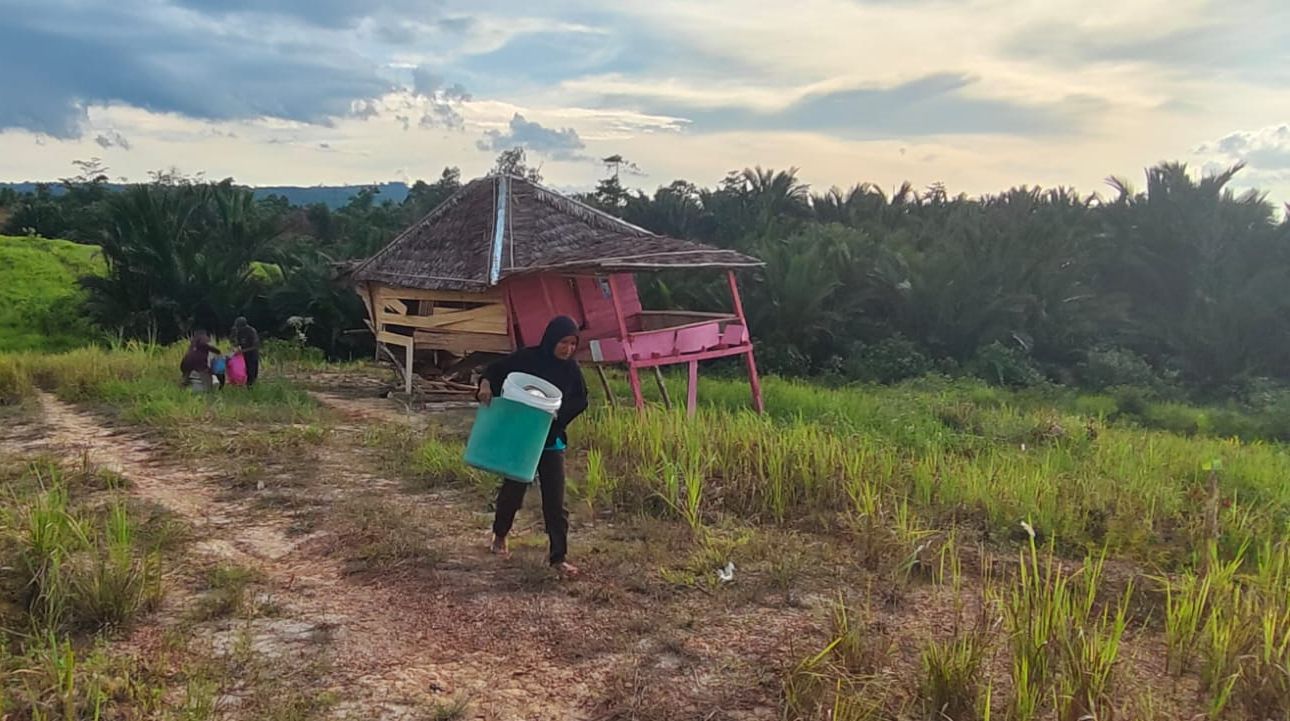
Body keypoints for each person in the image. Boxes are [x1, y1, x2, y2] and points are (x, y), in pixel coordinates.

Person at [478, 316, 588, 576]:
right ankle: (500, 536)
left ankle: (558, 558)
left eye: (573, 344)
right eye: (563, 342)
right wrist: (485, 386)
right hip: (522, 439)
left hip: (550, 441)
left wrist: (558, 417)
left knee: (555, 501)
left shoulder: (571, 370)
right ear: (551, 340)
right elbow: (494, 371)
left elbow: (581, 400)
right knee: (513, 491)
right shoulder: (527, 359)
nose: (568, 349)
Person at [232, 317, 261, 387]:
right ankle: (248, 386)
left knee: (252, 372)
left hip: (253, 355)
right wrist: (236, 348)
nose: (238, 329)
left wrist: (243, 351)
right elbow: (238, 343)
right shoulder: (239, 332)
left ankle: (252, 386)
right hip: (245, 356)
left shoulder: (251, 331)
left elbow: (255, 346)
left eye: (239, 327)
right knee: (247, 371)